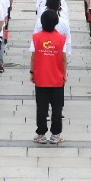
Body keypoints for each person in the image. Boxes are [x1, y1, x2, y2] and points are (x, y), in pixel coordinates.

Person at [31, 9, 68, 144]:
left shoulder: (36, 37)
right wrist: (64, 74)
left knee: (41, 108)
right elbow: (63, 58)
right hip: (57, 78)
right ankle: (55, 134)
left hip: (41, 78)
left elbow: (34, 56)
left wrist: (32, 72)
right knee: (57, 108)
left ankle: (41, 134)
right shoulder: (61, 38)